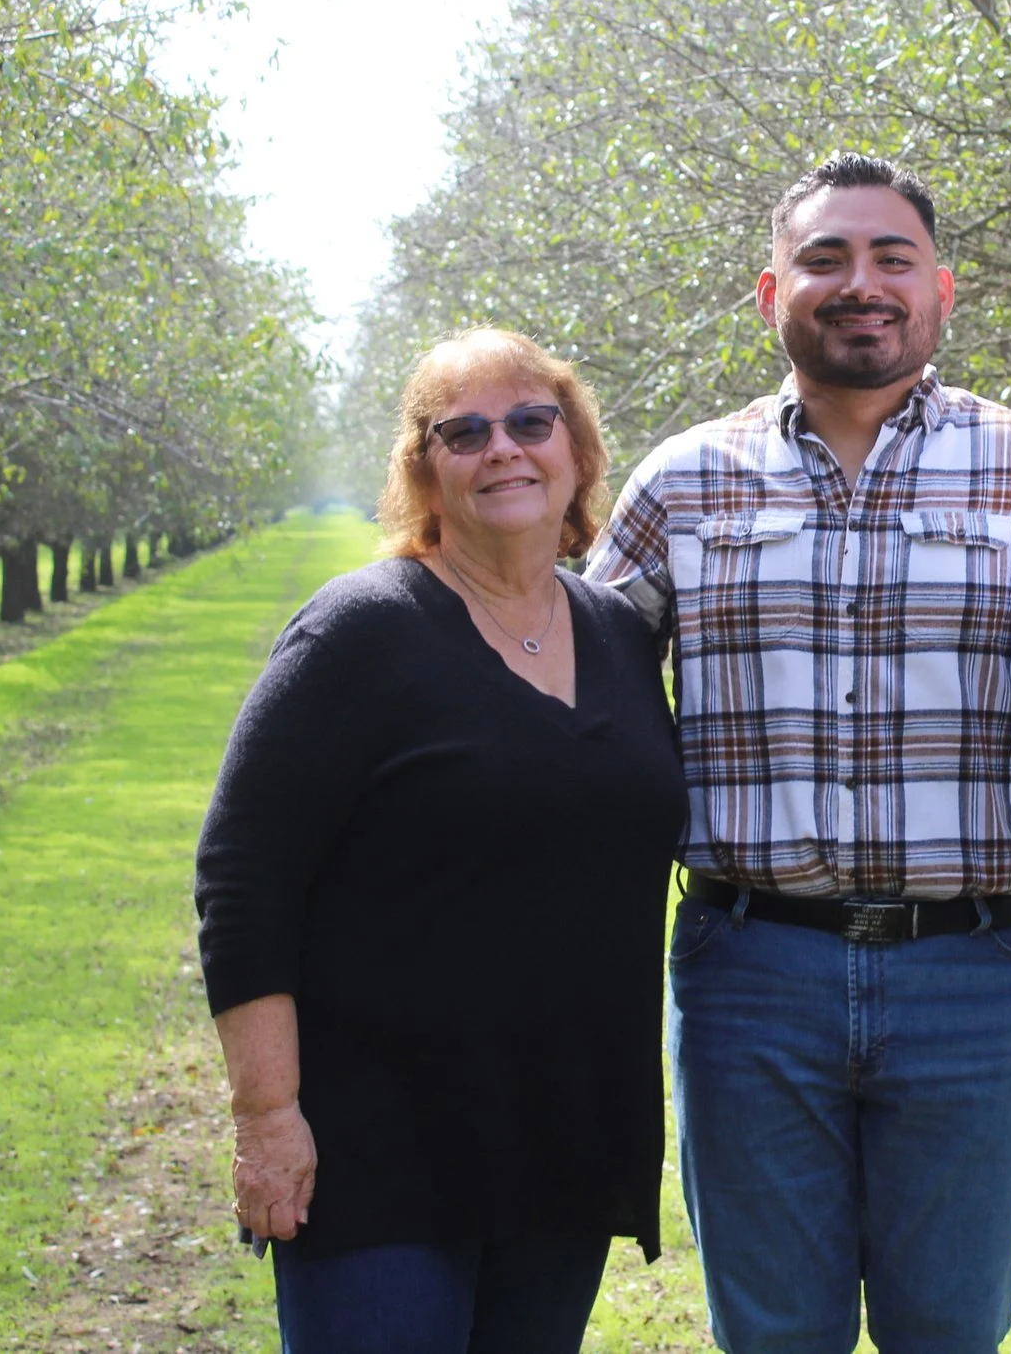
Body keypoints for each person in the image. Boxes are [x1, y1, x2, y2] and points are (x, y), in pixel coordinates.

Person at [586, 153, 1011, 1354]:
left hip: (973, 967)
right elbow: (573, 697)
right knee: (771, 1331)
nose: (860, 283)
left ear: (942, 289)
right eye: (825, 258)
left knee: (951, 1327)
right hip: (750, 969)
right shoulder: (684, 484)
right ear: (771, 293)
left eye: (890, 257)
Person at [195, 328, 687, 1354]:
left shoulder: (620, 634)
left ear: (578, 450)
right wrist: (266, 1113)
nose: (500, 446)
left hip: (563, 1133)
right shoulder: (361, 633)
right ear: (424, 470)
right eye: (461, 431)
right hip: (382, 1145)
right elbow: (243, 878)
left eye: (528, 420)